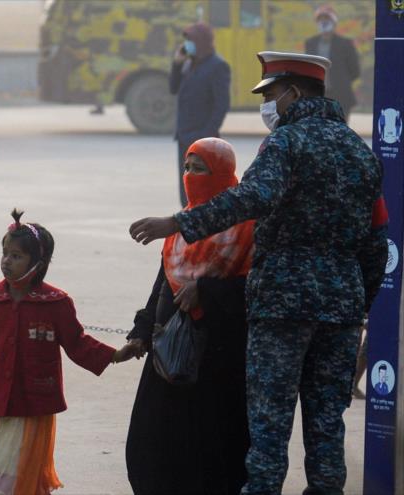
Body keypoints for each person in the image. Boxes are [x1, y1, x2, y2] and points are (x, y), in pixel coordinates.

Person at [129, 51, 389, 494]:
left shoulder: (286, 143)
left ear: (294, 91)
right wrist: (356, 303)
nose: (270, 105)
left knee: (268, 429)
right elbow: (376, 243)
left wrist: (178, 223)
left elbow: (249, 199)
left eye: (271, 94)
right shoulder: (358, 151)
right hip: (340, 310)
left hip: (282, 307)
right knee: (327, 427)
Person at [0, 209, 138, 494]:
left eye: (16, 256)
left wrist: (115, 354)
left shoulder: (55, 303)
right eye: (5, 253)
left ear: (39, 262)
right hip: (3, 400)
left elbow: (77, 343)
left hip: (34, 402)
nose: (6, 261)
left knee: (17, 469)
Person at [124, 138, 253, 495]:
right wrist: (143, 328)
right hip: (168, 349)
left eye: (201, 169)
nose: (191, 175)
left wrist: (208, 292)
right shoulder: (184, 224)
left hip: (219, 358)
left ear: (224, 173)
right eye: (188, 167)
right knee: (152, 443)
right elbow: (163, 281)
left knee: (212, 448)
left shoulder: (247, 226)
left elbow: (256, 288)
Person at [170, 22, 230, 209]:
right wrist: (176, 64)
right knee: (186, 188)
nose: (188, 43)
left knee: (203, 190)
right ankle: (187, 223)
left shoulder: (217, 66)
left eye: (191, 39)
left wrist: (207, 135)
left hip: (202, 138)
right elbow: (173, 88)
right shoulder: (188, 63)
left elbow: (221, 104)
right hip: (183, 136)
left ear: (202, 41)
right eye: (186, 39)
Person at [305, 4, 360, 121]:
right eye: (320, 20)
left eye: (327, 19)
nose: (324, 22)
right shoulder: (310, 43)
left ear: (334, 22)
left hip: (341, 95)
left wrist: (340, 81)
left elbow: (355, 71)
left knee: (340, 130)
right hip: (318, 95)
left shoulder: (345, 44)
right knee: (319, 130)